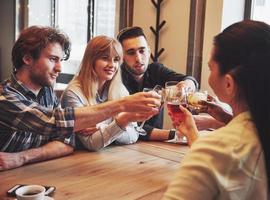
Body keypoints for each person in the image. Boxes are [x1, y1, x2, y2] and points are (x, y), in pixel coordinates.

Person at [163, 20, 270, 199]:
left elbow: (221, 158)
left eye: (210, 68)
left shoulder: (214, 149)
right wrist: (226, 120)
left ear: (229, 83)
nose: (209, 78)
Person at [0, 26, 160, 171]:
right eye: (53, 59)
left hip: (35, 173)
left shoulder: (46, 91)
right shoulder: (5, 97)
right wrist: (123, 105)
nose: (60, 68)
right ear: (27, 59)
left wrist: (22, 157)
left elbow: (67, 143)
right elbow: (54, 123)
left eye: (61, 60)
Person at [117, 26, 199, 141]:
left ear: (149, 51)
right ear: (121, 57)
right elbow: (127, 126)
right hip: (124, 146)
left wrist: (187, 85)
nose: (139, 58)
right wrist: (173, 135)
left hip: (156, 146)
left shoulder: (155, 70)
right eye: (131, 53)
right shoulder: (116, 80)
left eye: (142, 51)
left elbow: (189, 79)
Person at [60, 35, 141, 151]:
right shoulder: (73, 93)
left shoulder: (120, 89)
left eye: (116, 59)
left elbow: (133, 135)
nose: (112, 65)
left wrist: (101, 127)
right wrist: (121, 123)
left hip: (114, 158)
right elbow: (91, 143)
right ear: (91, 60)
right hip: (79, 161)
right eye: (105, 58)